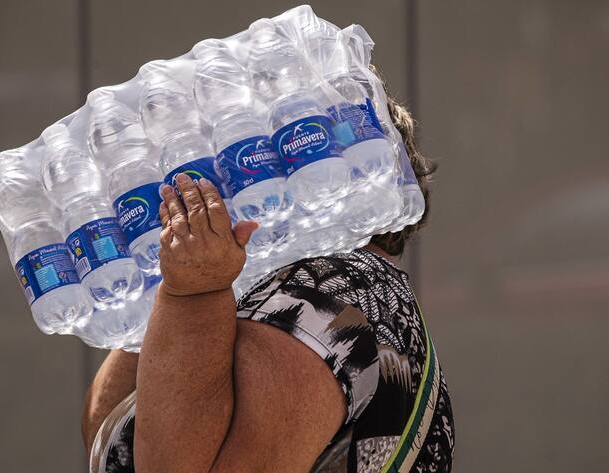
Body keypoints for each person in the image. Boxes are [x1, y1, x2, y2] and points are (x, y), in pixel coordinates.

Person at [81, 94, 454, 473]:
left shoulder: (333, 289)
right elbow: (112, 443)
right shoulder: (305, 286)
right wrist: (171, 282)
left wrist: (193, 291)